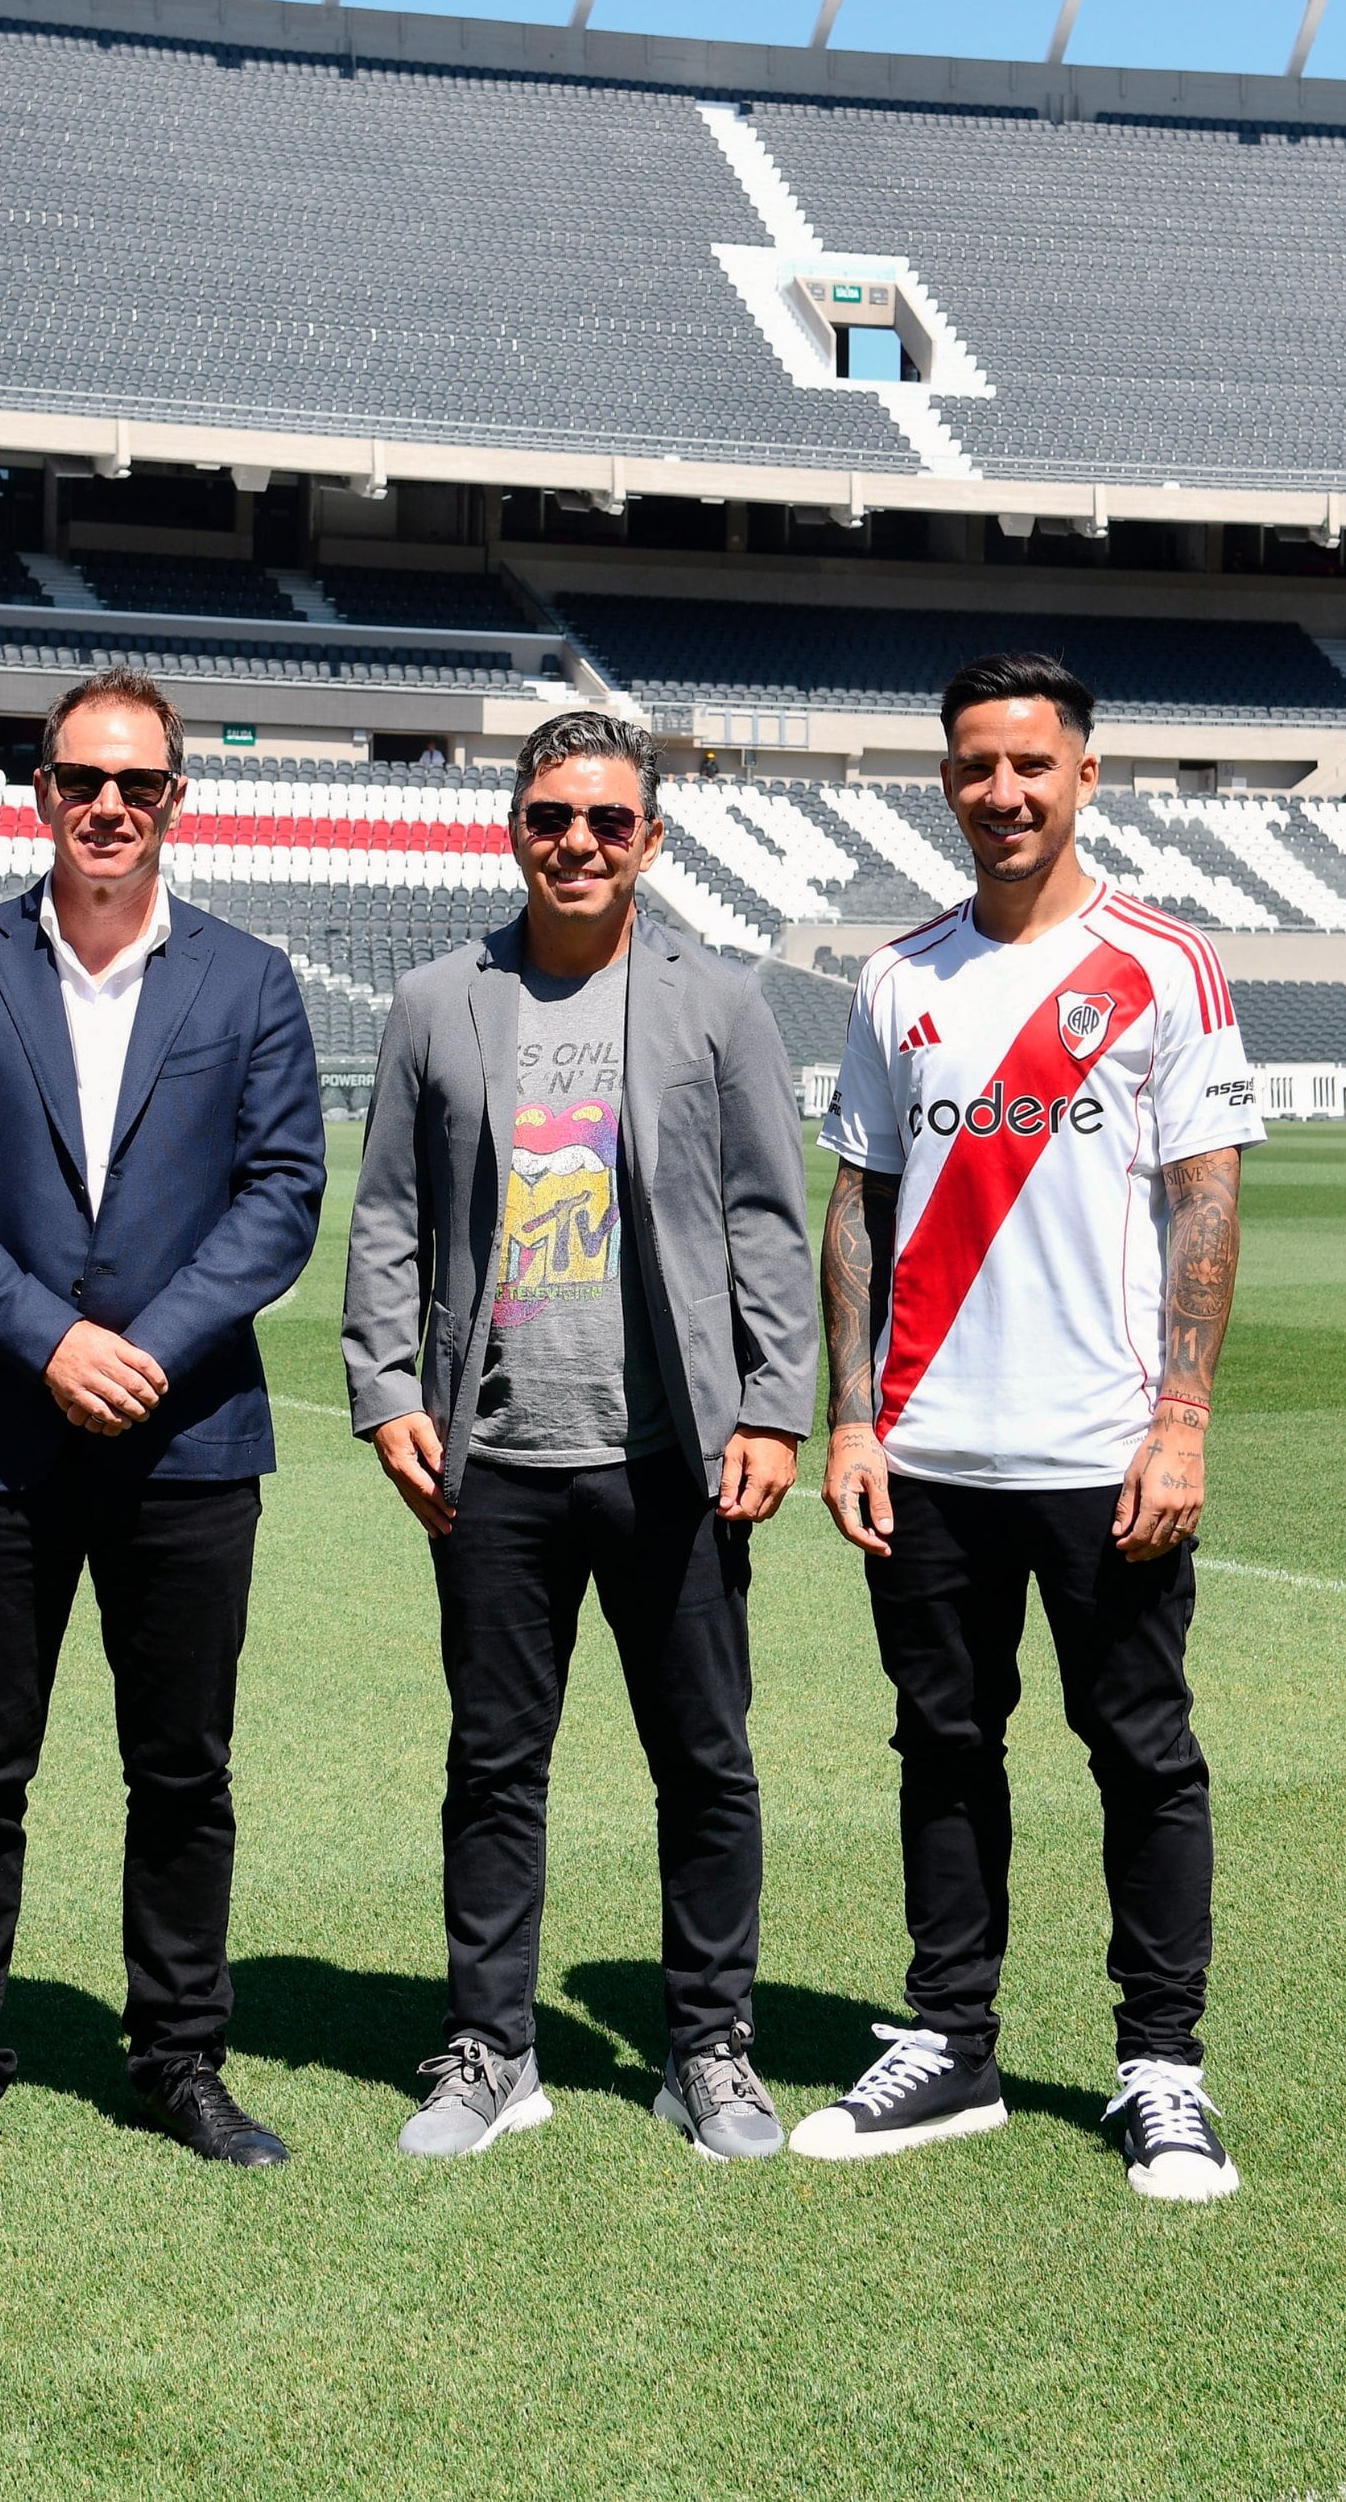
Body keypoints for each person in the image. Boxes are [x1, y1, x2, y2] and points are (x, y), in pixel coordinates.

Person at [800, 652, 1262, 2202]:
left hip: (1101, 1450)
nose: (1003, 792)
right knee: (942, 1743)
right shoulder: (898, 978)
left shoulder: (1162, 964)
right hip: (927, 1453)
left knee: (1140, 1751)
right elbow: (855, 1205)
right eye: (974, 765)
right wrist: (850, 1418)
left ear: (1084, 776)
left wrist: (1182, 1416)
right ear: (947, 780)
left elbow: (1208, 1197)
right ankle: (954, 2041)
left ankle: (1163, 2068)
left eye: (1031, 765)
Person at [0, 669, 327, 2193]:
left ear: (177, 798)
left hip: (188, 1439)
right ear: (41, 790)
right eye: (80, 780)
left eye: (138, 784)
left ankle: (180, 2060)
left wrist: (145, 1350)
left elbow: (281, 1199)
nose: (108, 807)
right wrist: (49, 1340)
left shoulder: (250, 982)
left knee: (183, 1767)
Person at [343, 710, 816, 2165]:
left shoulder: (719, 1003)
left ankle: (710, 2047)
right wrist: (388, 1390)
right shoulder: (438, 1000)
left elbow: (761, 1215)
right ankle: (493, 2048)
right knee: (495, 1765)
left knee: (706, 1762)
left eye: (610, 821)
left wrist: (776, 1403)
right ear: (514, 829)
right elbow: (389, 1220)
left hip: (673, 1451)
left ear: (651, 840)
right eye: (553, 816)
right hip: (493, 1459)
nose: (580, 844)